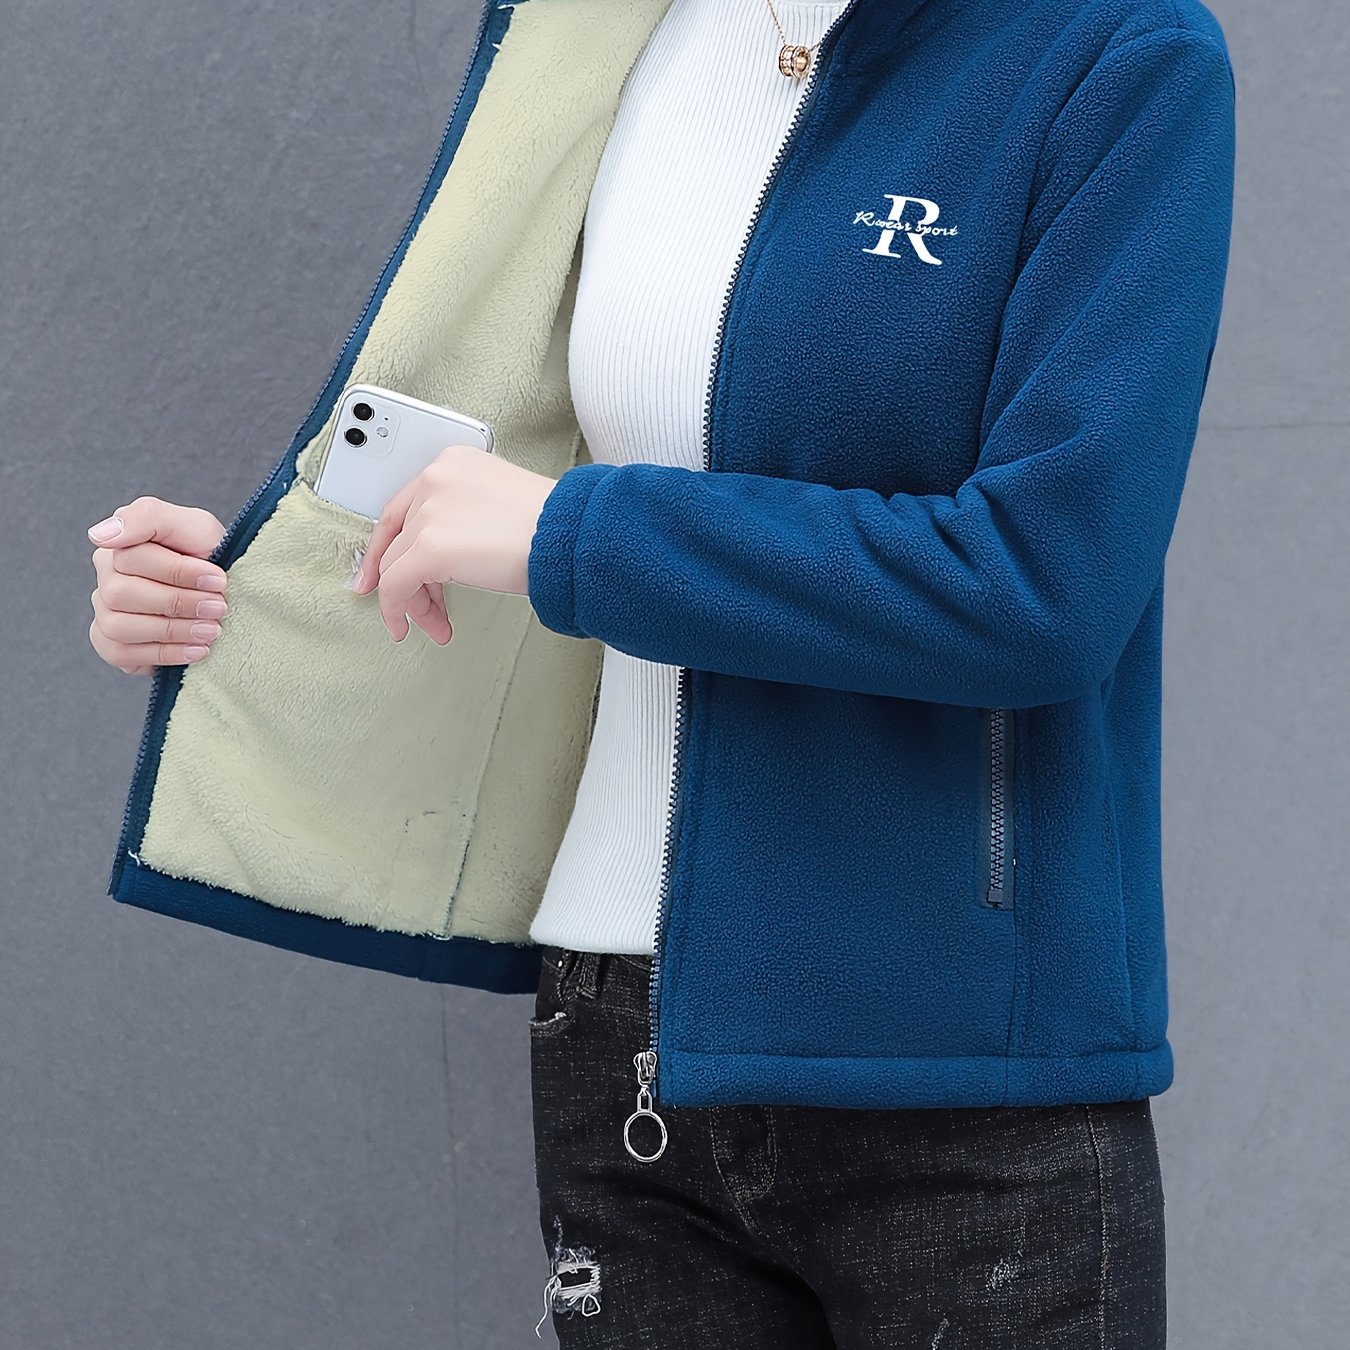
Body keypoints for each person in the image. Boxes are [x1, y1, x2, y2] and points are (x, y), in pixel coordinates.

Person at [86, 0, 1236, 1344]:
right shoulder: (612, 33)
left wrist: (570, 535)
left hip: (959, 1061)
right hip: (616, 1026)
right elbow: (530, 466)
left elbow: (1044, 586)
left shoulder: (1115, 53)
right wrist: (232, 593)